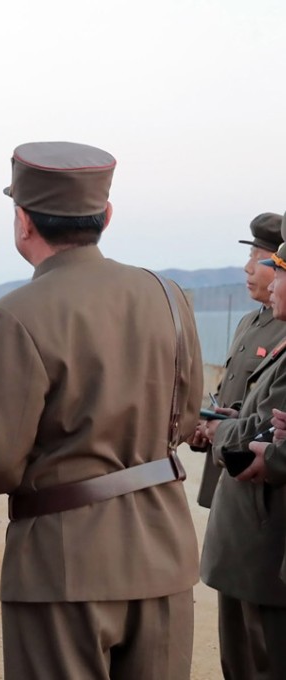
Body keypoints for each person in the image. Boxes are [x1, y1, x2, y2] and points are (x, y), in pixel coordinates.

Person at [0, 141, 204, 680]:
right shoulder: (168, 293)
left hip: (63, 564)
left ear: (22, 221)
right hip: (164, 548)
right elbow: (184, 420)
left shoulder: (13, 315)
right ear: (106, 216)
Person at [202, 215, 286, 680]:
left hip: (264, 528)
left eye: (271, 262)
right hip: (244, 516)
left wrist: (227, 433)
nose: (256, 270)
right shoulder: (256, 323)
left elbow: (267, 436)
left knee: (262, 658)